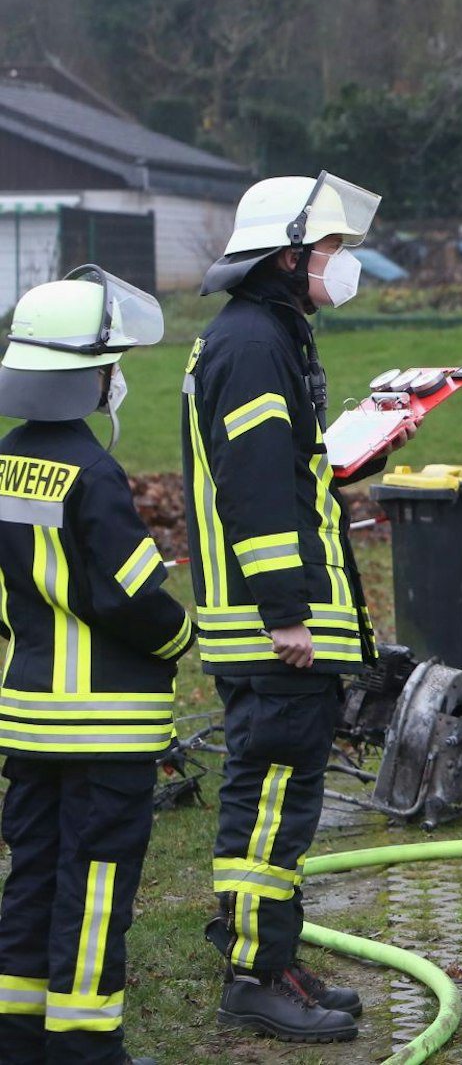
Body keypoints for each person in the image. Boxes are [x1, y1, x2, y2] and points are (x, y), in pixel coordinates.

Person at [183, 172, 385, 1043]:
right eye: (332, 250)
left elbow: (287, 472)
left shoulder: (259, 335)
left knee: (265, 796)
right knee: (274, 801)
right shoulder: (256, 343)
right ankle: (256, 977)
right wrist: (286, 612)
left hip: (265, 628)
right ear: (289, 253)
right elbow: (259, 488)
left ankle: (268, 952)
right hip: (275, 633)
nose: (341, 265)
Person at [0, 269, 188, 1065]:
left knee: (34, 870)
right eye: (113, 363)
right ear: (87, 374)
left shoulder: (7, 461)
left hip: (30, 718)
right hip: (105, 723)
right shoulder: (94, 473)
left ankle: (16, 1033)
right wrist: (179, 636)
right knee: (97, 881)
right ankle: (82, 1045)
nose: (120, 378)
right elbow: (131, 597)